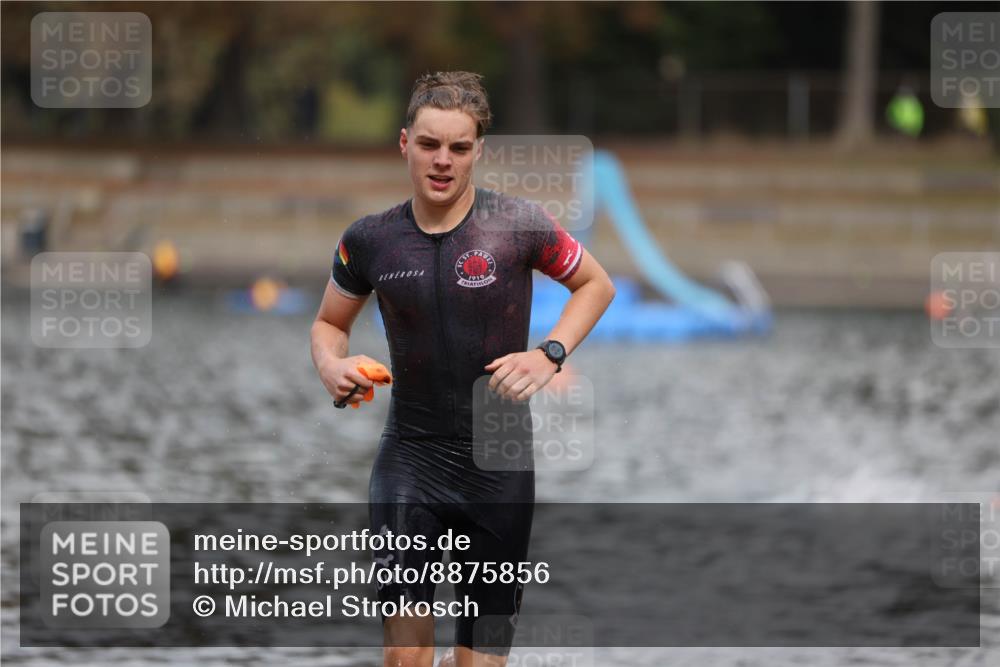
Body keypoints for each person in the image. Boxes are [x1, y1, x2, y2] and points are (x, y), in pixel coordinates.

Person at [310, 71, 615, 667]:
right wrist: (331, 364)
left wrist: (549, 354)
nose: (442, 160)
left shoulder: (518, 225)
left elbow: (595, 285)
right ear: (405, 144)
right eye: (429, 144)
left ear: (479, 151)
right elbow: (328, 324)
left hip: (498, 468)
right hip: (410, 460)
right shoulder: (370, 240)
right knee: (405, 659)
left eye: (458, 146)